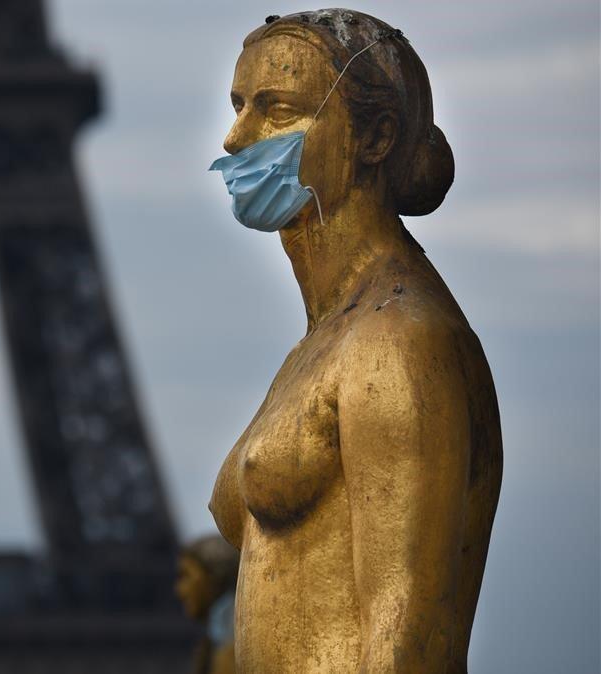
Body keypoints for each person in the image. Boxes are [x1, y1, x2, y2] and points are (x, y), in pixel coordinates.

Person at [206, 10, 502, 672]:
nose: (234, 138)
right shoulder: (322, 344)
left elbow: (407, 645)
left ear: (376, 138)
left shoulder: (398, 342)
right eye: (238, 106)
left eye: (276, 110)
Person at [174, 535, 239, 674]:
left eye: (186, 575)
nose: (180, 590)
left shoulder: (234, 652)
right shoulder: (216, 646)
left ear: (215, 577)